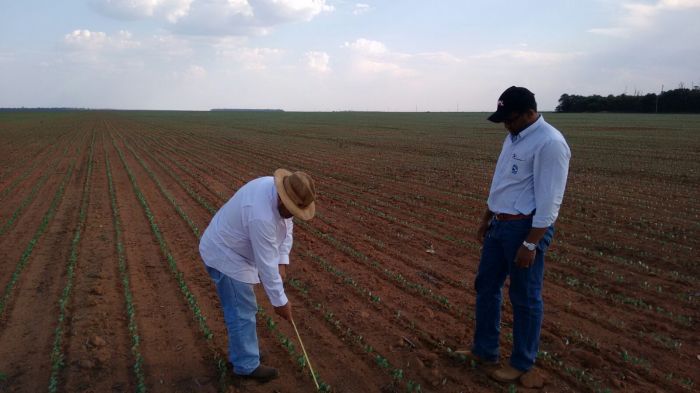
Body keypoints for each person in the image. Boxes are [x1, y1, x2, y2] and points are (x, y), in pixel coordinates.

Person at [469, 86, 571, 383]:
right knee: (486, 286)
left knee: (524, 296)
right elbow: (502, 181)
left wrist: (531, 243)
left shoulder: (549, 143)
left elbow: (551, 200)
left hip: (525, 229)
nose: (506, 124)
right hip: (500, 224)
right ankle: (484, 349)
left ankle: (522, 363)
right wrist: (487, 217)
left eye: (510, 118)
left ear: (530, 112)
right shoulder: (513, 137)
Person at [199, 169, 316, 382]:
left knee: (241, 308)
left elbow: (286, 228)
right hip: (225, 254)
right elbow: (266, 266)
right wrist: (280, 303)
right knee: (241, 309)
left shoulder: (280, 195)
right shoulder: (261, 215)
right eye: (290, 209)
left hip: (236, 248)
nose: (292, 215)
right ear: (282, 199)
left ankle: (242, 354)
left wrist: (283, 260)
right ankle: (245, 365)